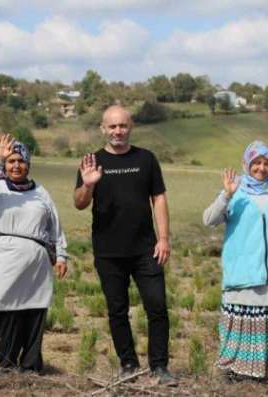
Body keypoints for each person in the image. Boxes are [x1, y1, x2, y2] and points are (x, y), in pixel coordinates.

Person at [73, 105, 175, 385]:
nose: (118, 131)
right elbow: (79, 203)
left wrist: (164, 238)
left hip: (146, 249)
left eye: (123, 126)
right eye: (112, 126)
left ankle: (160, 367)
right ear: (103, 129)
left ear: (131, 127)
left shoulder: (146, 159)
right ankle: (128, 364)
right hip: (108, 252)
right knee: (117, 310)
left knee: (157, 308)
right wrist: (89, 185)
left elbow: (160, 198)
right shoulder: (91, 161)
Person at [202, 140, 268, 381]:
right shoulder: (235, 190)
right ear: (246, 164)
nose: (261, 168)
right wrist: (226, 195)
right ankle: (234, 372)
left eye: (266, 163)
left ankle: (261, 374)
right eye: (256, 163)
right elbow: (209, 220)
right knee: (238, 326)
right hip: (241, 271)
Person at [0, 134, 68, 373]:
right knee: (5, 313)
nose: (16, 165)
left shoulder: (41, 192)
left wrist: (61, 255)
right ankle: (6, 364)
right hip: (3, 260)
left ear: (28, 164)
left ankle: (30, 366)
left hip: (35, 263)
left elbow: (54, 226)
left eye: (21, 161)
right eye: (11, 161)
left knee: (34, 314)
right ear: (5, 165)